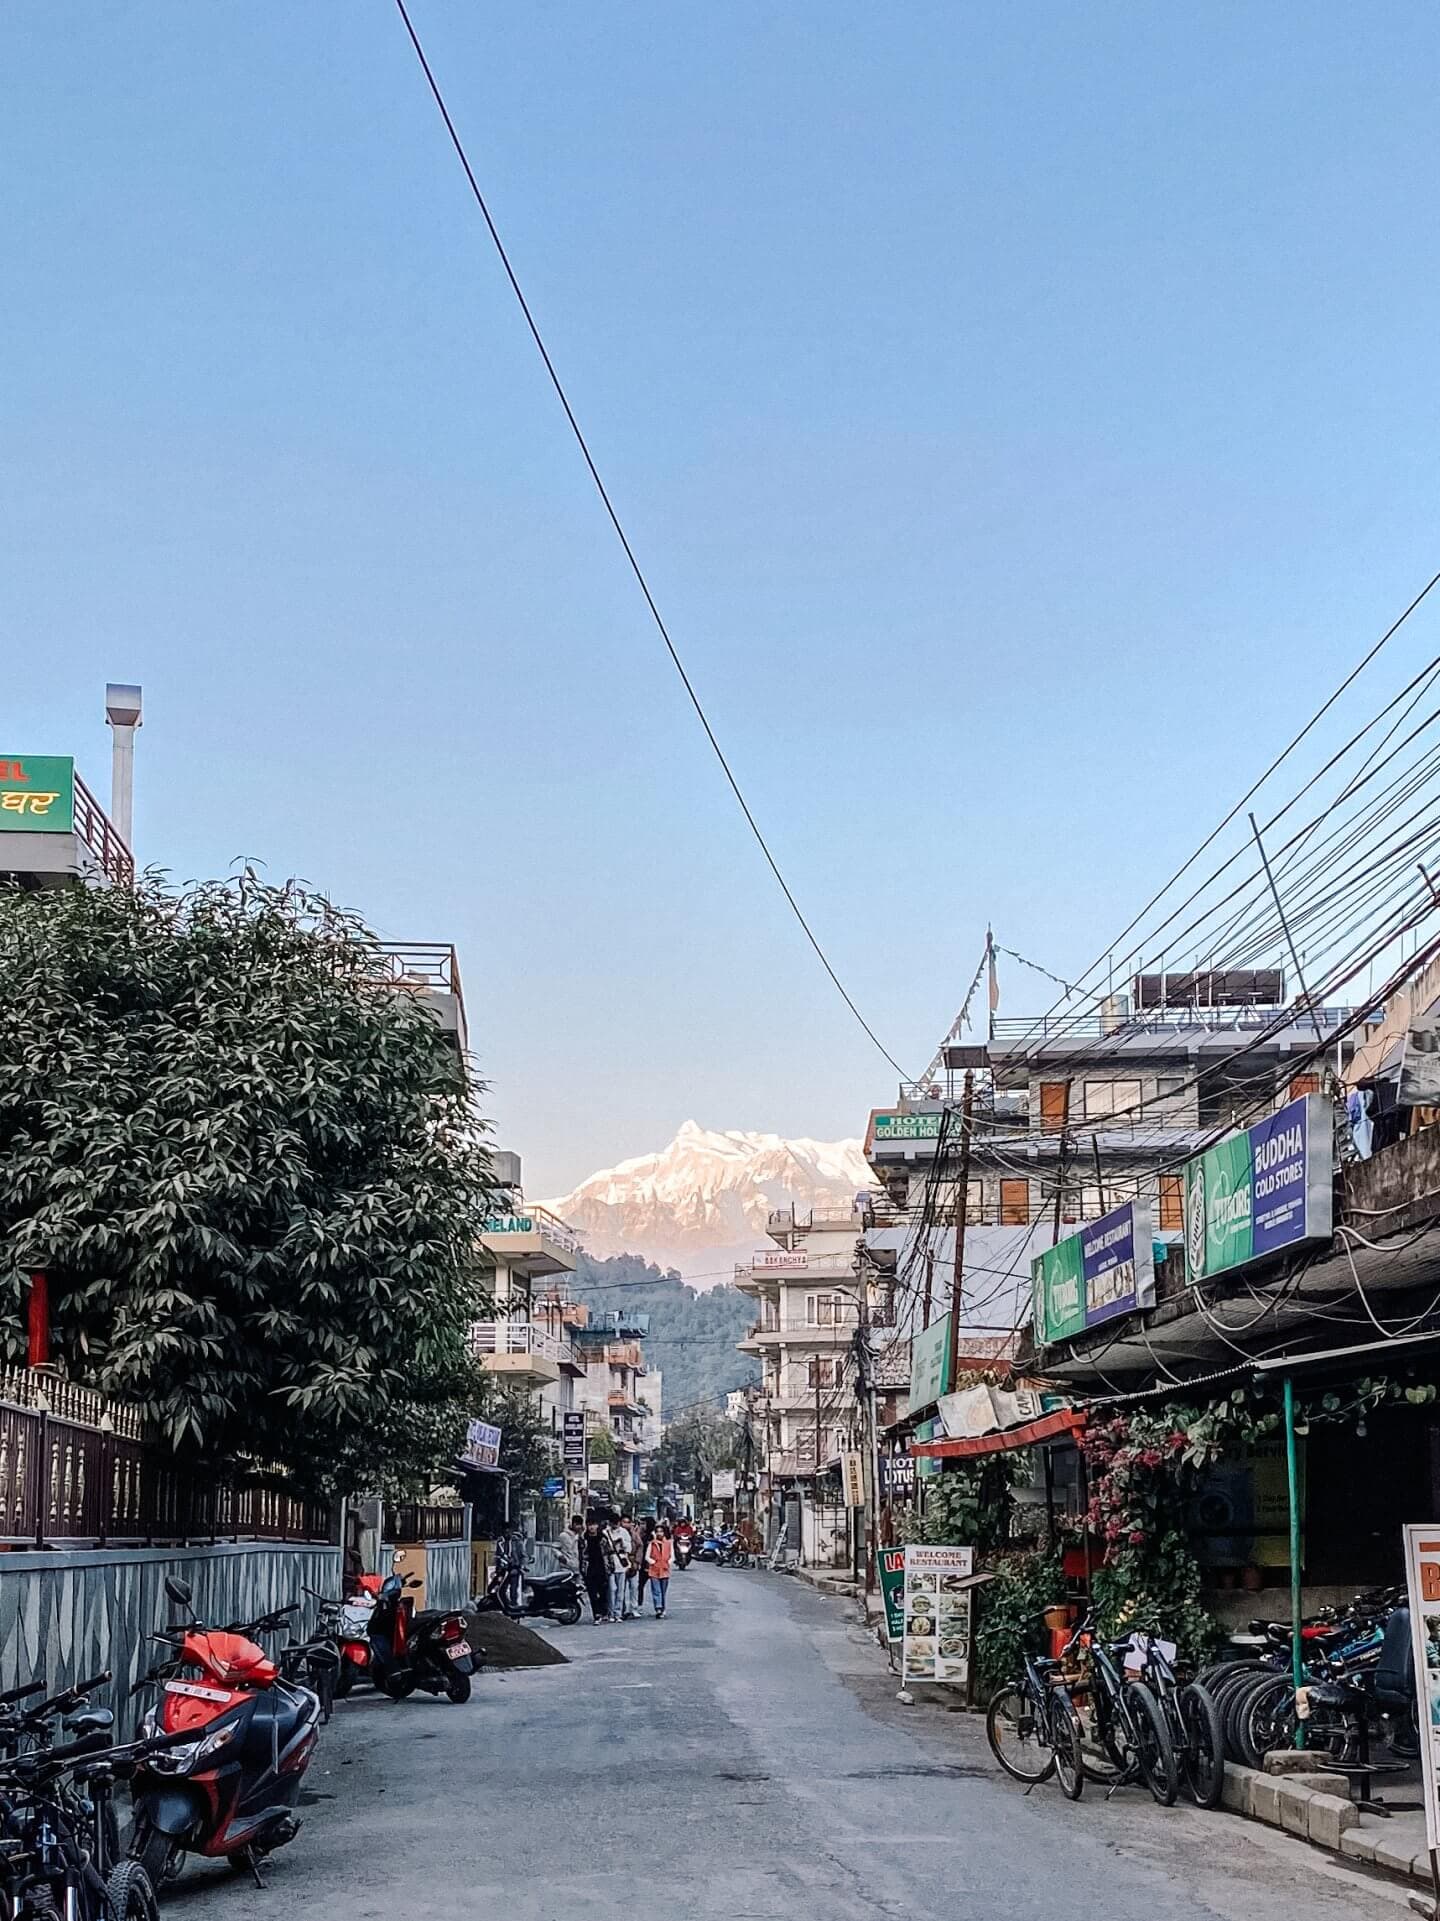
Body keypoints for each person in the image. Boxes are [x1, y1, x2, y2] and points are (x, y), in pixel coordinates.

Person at [580, 1515, 610, 1623]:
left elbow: (608, 1553)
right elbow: (581, 1555)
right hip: (589, 1569)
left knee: (603, 1592)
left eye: (593, 1525)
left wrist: (609, 1568)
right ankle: (596, 1615)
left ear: (597, 1526)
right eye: (589, 1525)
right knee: (592, 1594)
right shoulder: (584, 1539)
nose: (591, 1527)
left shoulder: (603, 1538)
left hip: (602, 1568)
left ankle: (604, 1612)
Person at [604, 1511, 631, 1621]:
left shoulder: (624, 1532)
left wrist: (621, 1544)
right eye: (613, 1523)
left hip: (621, 1563)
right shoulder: (605, 1532)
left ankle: (618, 1613)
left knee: (621, 1590)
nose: (614, 1525)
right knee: (612, 1590)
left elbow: (629, 1548)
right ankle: (611, 1613)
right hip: (610, 1564)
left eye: (616, 1523)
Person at [648, 1522, 673, 1618]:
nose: (659, 1534)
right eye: (657, 1532)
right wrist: (653, 1563)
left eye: (661, 1532)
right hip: (654, 1570)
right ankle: (658, 1608)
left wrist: (667, 1563)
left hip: (665, 1570)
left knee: (663, 1591)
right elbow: (647, 1556)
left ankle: (663, 1608)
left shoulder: (668, 1543)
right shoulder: (652, 1544)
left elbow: (672, 1556)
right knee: (656, 1590)